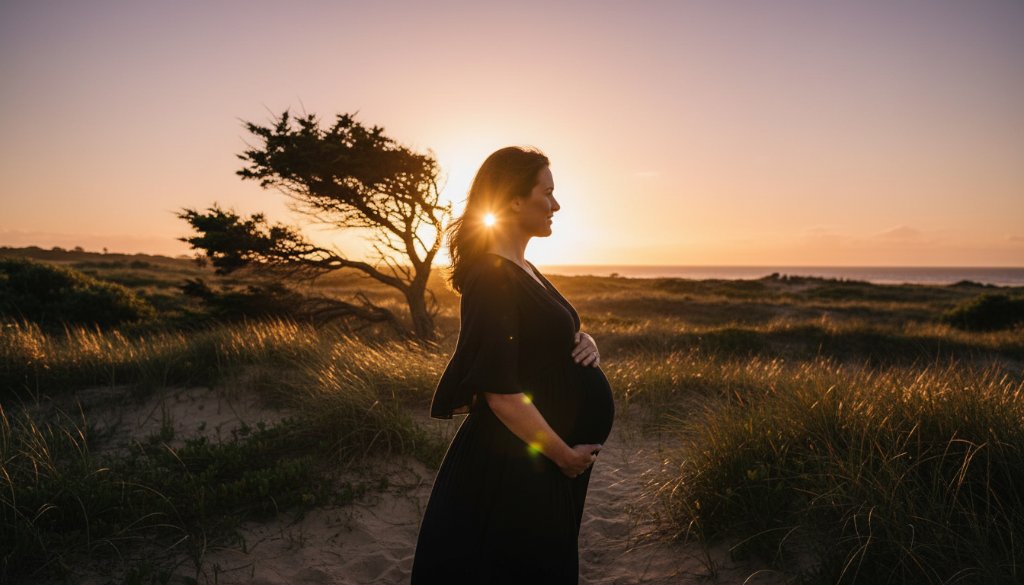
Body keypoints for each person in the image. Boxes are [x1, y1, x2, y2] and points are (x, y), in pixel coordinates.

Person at [410, 146, 615, 584]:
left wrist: (582, 339)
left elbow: (542, 336)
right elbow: (499, 391)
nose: (556, 205)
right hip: (517, 459)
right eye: (548, 193)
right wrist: (563, 455)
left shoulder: (524, 267)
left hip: (539, 458)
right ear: (515, 199)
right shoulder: (491, 276)